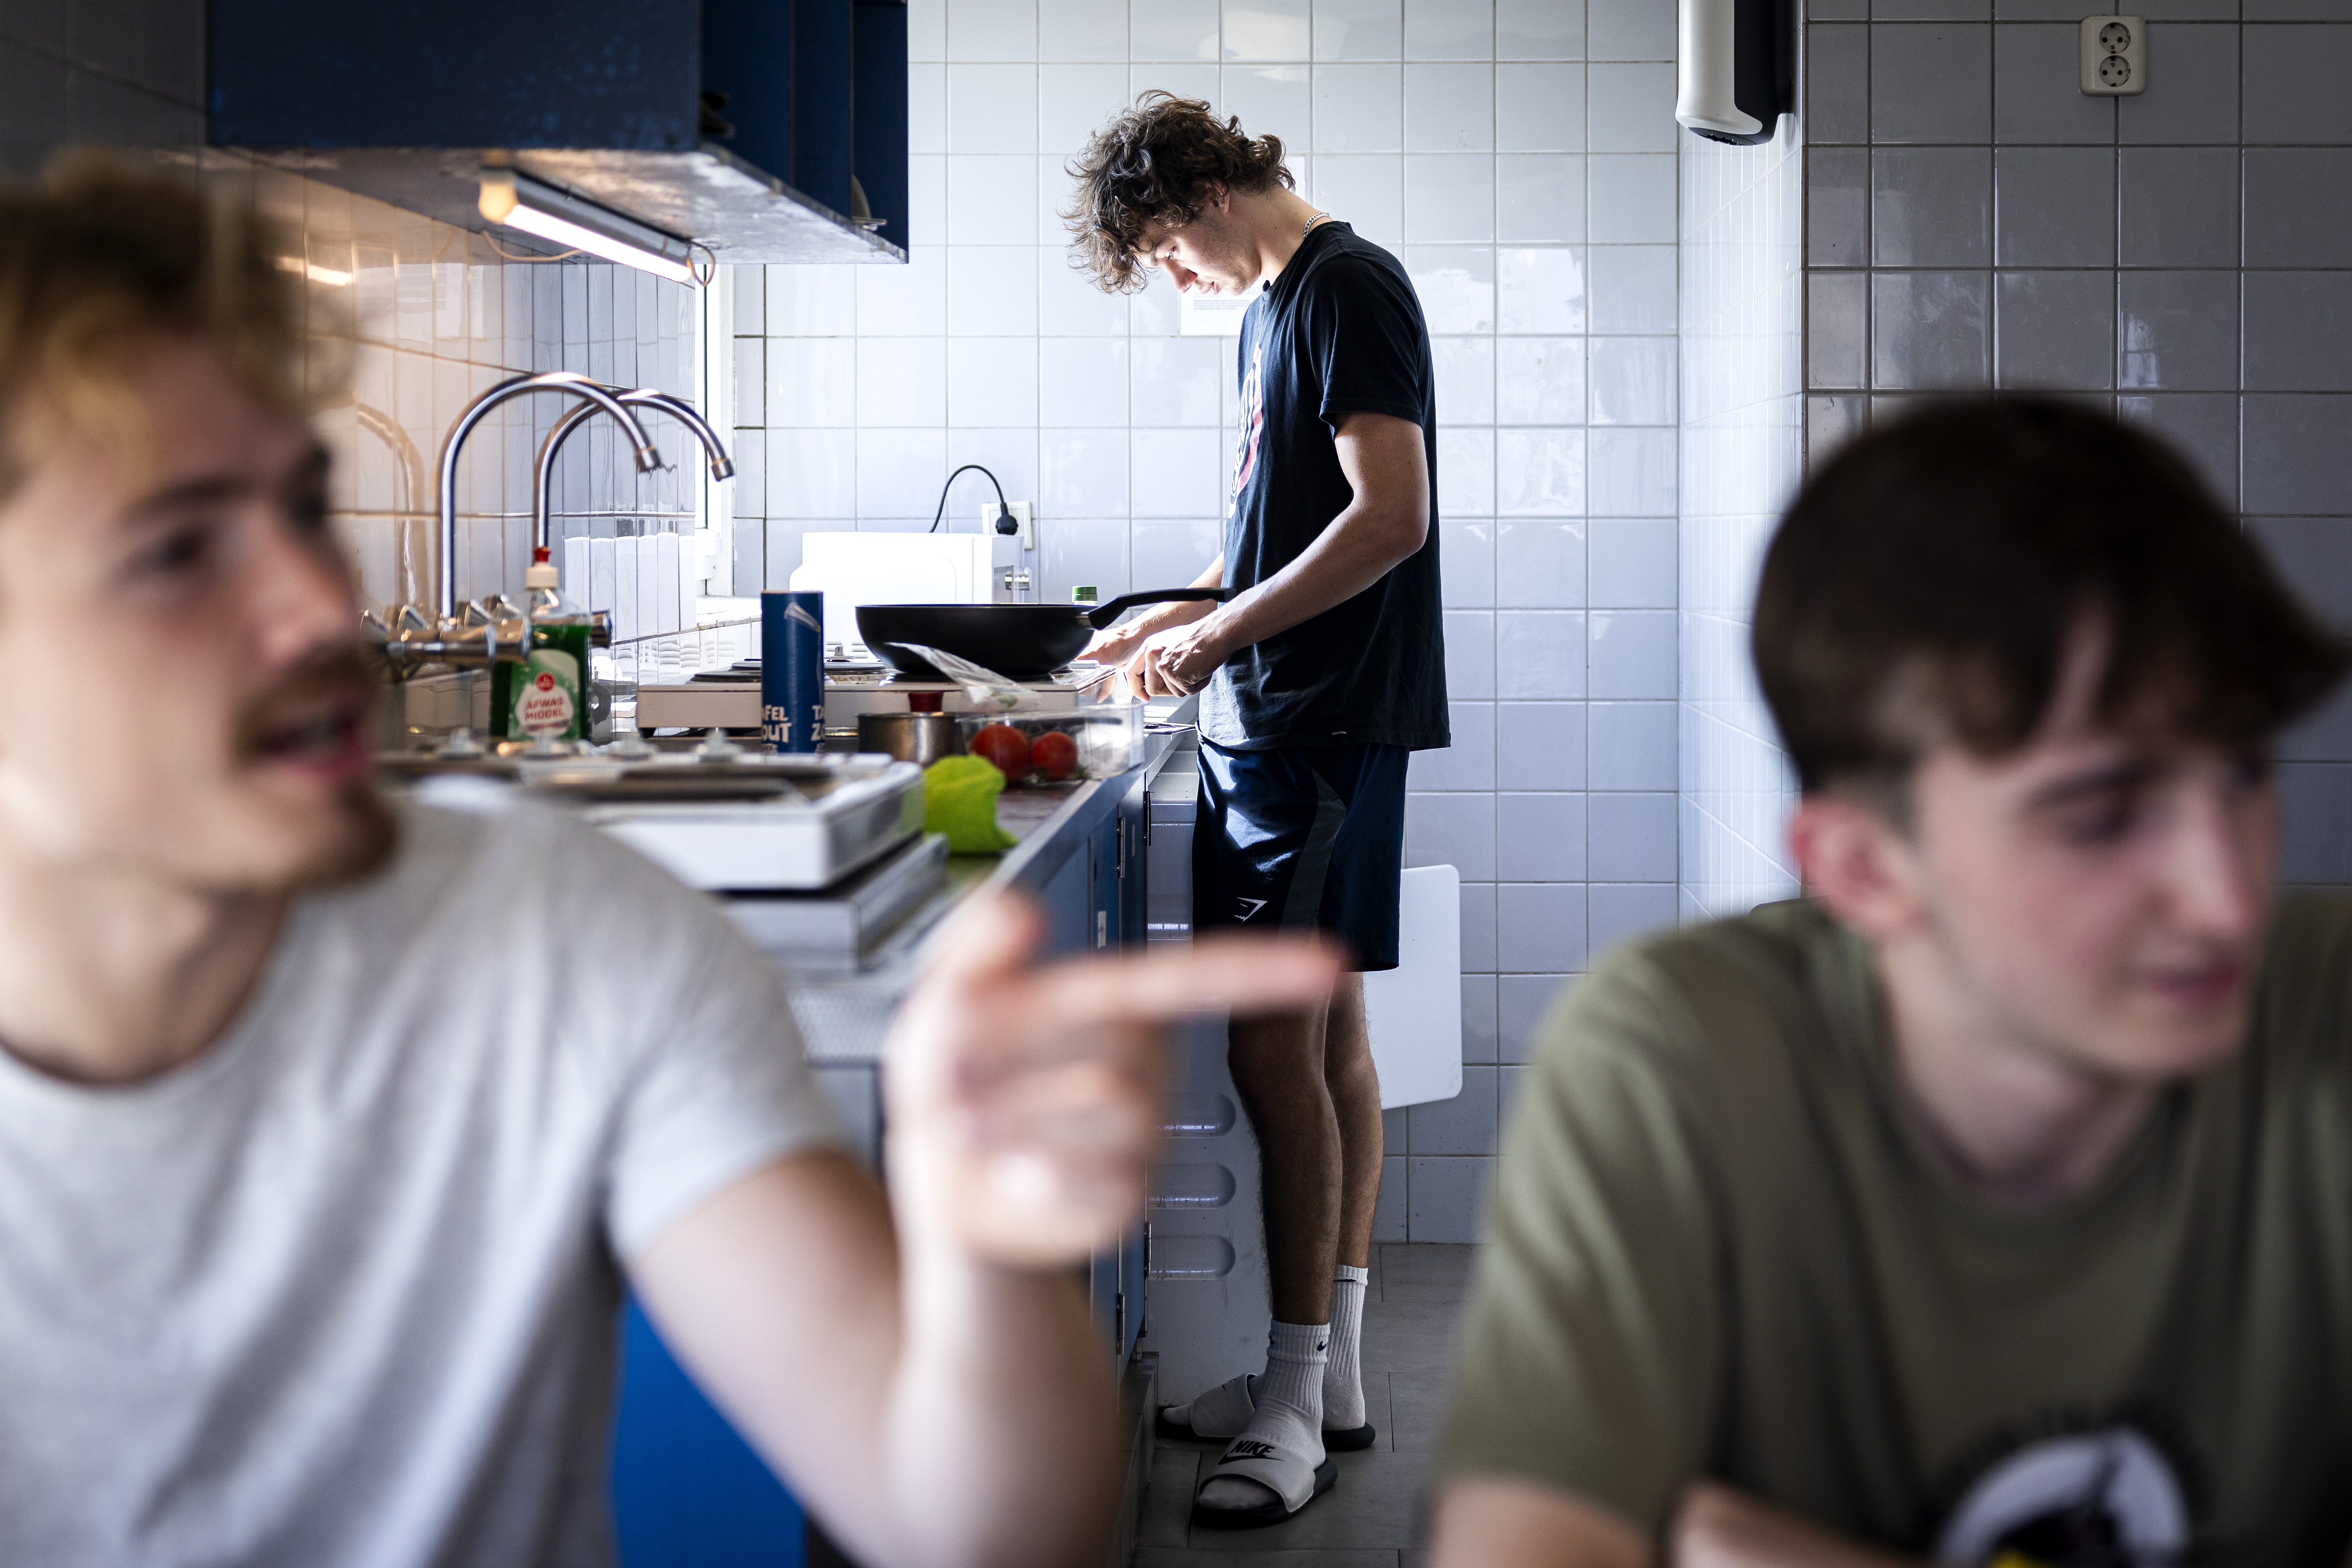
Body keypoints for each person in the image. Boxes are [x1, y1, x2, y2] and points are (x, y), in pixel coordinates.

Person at [0, 160, 1342, 1568]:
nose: (314, 606)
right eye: (174, 553)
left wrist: (985, 1253)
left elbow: (965, 1521)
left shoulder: (560, 937)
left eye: (299, 507)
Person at [1429, 398, 2352, 1568]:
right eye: (2105, 816)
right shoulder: (1686, 1057)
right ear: (1861, 871)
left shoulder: (2332, 1013)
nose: (2227, 898)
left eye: (2243, 775)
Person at [1061, 92, 1449, 1528]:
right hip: (1305, 712)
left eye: (1166, 246)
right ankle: (1326, 1377)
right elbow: (1301, 533)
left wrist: (1225, 641)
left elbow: (1389, 516)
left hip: (1316, 722)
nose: (1176, 274)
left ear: (1212, 190)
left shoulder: (1344, 284)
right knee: (1330, 1034)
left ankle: (1285, 1402)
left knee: (1270, 1047)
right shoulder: (1281, 307)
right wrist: (1190, 608)